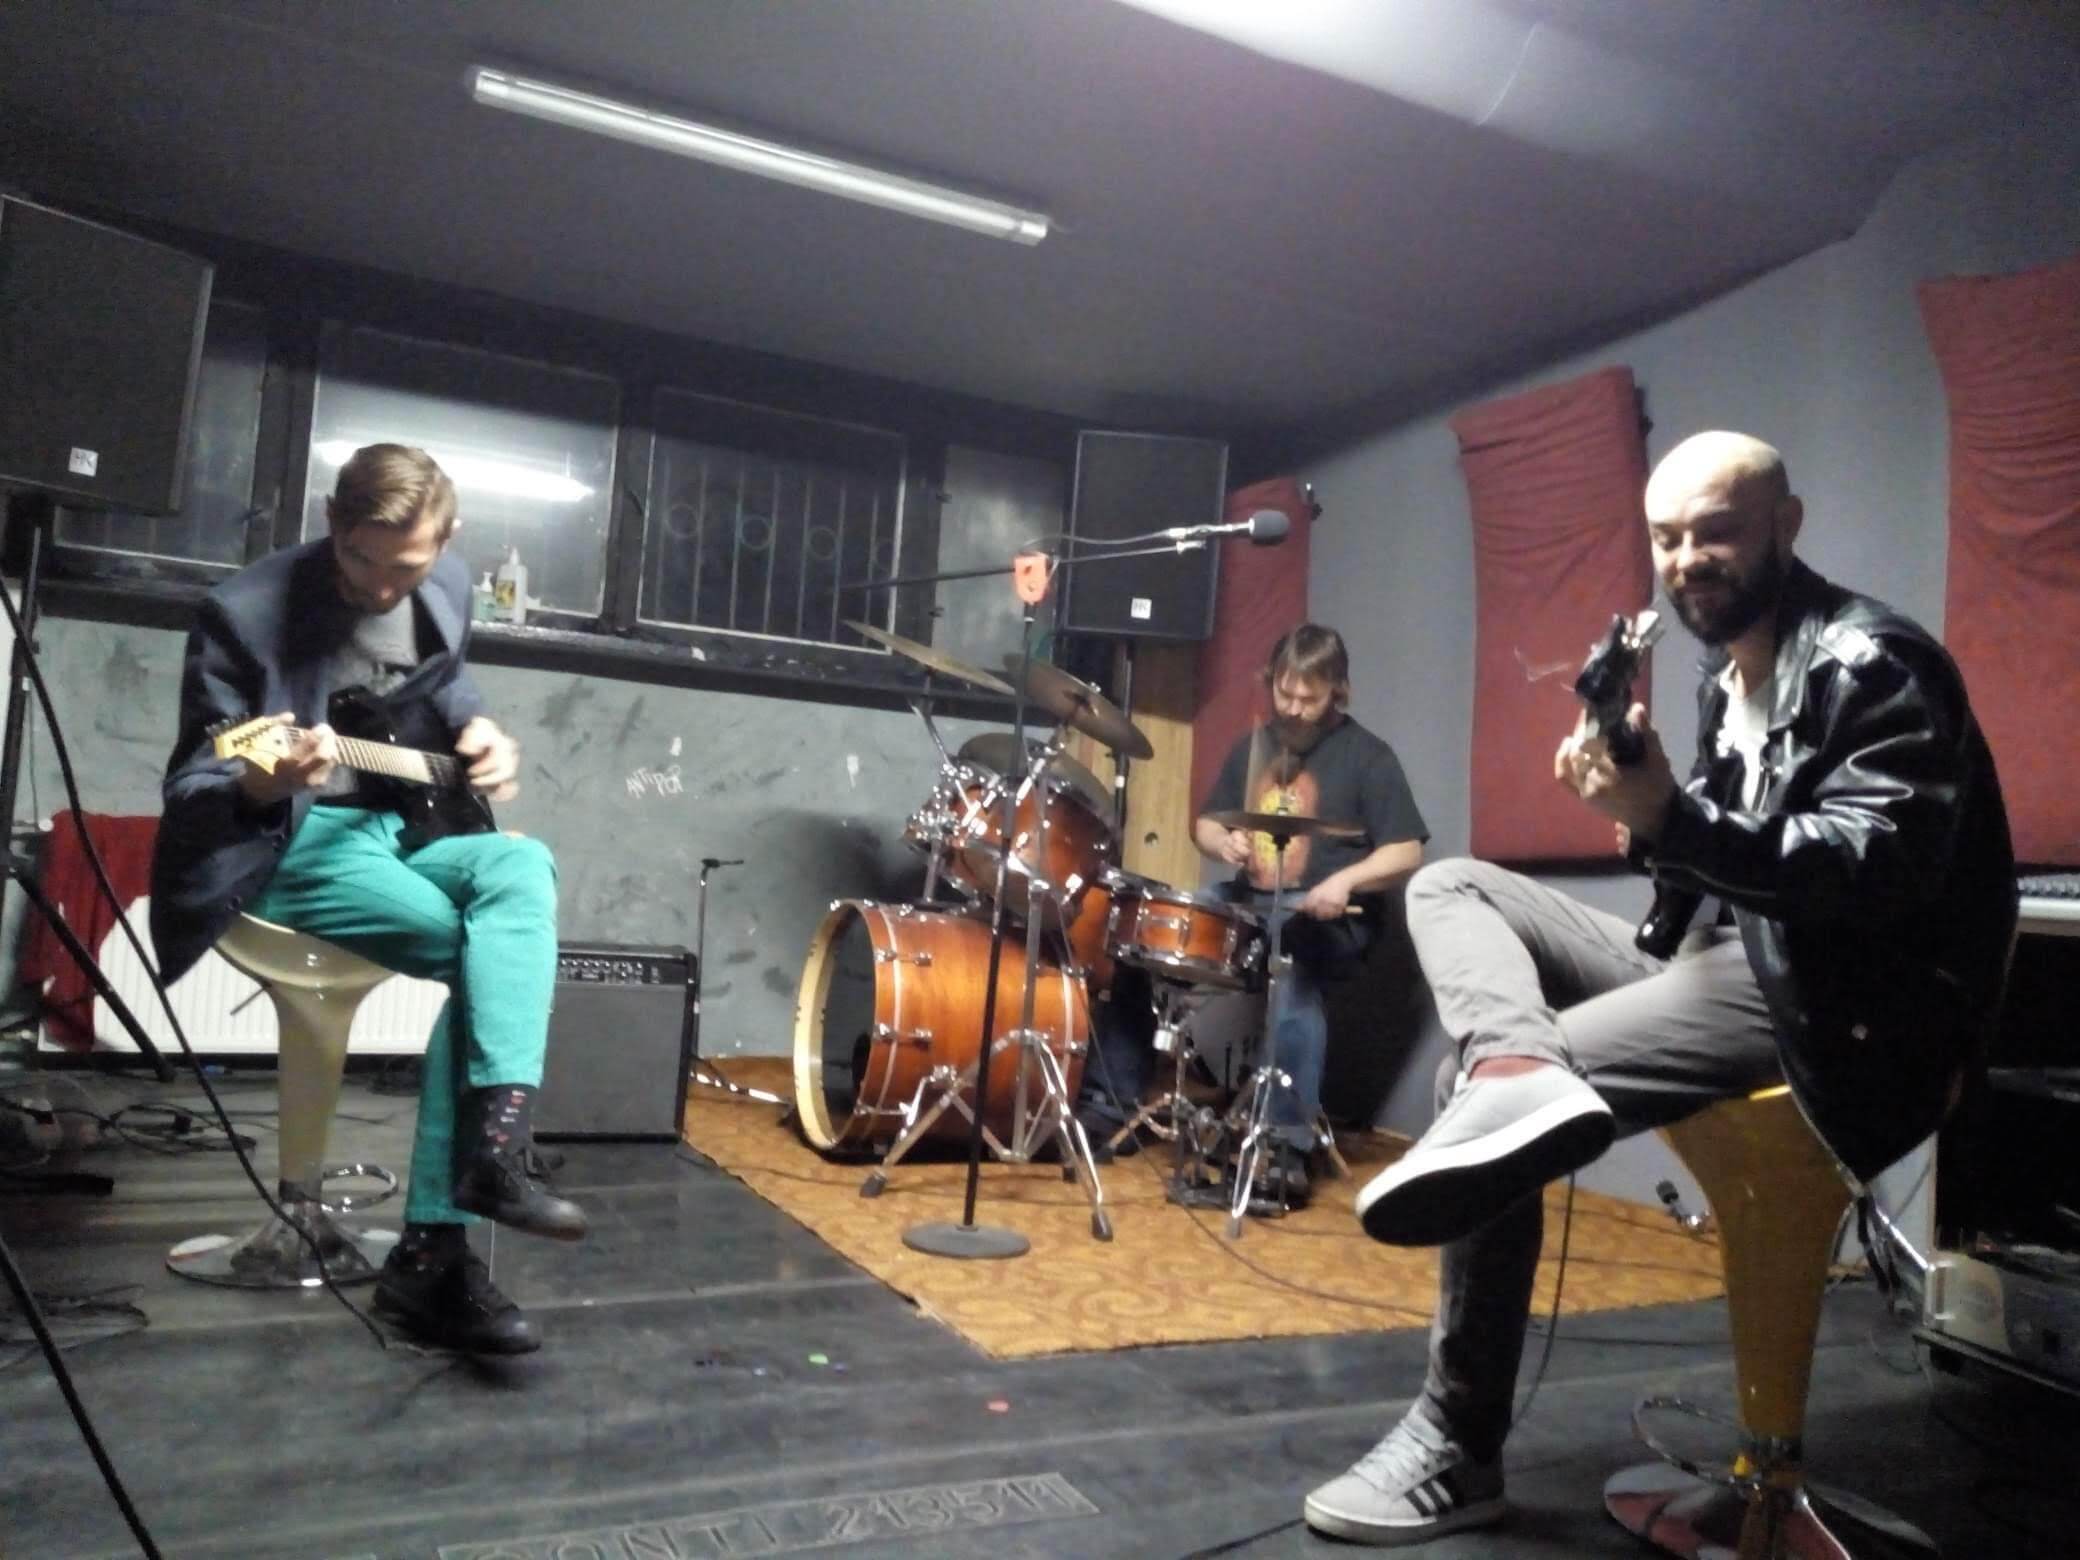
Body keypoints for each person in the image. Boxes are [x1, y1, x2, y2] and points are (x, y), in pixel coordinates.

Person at [1302, 431, 2015, 1546]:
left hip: (1849, 1005)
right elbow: (1706, 874)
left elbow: (1876, 873)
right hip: (1741, 965)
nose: (1688, 560)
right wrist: (1640, 813)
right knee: (1452, 884)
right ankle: (1514, 1065)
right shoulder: (1723, 677)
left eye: (1716, 532)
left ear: (1785, 525)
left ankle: (1456, 1442)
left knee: (1460, 1098)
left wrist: (1672, 819)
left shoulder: (1873, 664)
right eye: (1667, 538)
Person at [150, 443, 587, 1357]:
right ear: (332, 525)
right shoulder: (244, 612)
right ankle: (434, 1249)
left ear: (446, 543)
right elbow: (195, 780)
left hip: (405, 825)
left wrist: (478, 730)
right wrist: (264, 781)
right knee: (484, 952)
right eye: (362, 560)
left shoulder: (449, 586)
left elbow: (442, 681)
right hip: (292, 840)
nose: (383, 586)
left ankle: (494, 1151)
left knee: (523, 867)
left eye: (407, 567)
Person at [1186, 623, 1430, 1205]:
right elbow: (1207, 823)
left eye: (1310, 697)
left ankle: (1284, 1147)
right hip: (1251, 902)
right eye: (1285, 693)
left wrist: (1345, 879)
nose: (1294, 708)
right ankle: (1108, 1098)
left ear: (1337, 691)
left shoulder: (1369, 756)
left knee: (1290, 961)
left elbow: (1406, 851)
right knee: (1146, 926)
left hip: (1331, 915)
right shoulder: (1252, 747)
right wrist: (1223, 841)